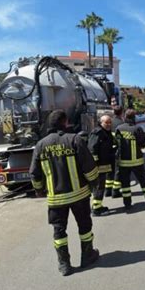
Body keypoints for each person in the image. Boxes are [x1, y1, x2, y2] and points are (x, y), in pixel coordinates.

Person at [29, 110, 100, 276]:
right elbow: (89, 167)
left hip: (56, 199)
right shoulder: (74, 140)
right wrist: (94, 184)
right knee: (84, 226)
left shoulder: (41, 145)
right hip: (79, 195)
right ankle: (87, 255)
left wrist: (39, 190)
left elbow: (34, 173)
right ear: (65, 122)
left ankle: (64, 264)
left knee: (59, 231)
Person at [115, 109, 145, 210]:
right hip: (136, 161)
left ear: (125, 117)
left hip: (123, 162)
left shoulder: (119, 128)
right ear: (134, 118)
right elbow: (143, 145)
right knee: (144, 181)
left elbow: (116, 143)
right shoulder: (137, 129)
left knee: (125, 184)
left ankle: (127, 204)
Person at [87, 115, 115, 216]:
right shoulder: (97, 133)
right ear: (101, 122)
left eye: (110, 122)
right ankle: (96, 209)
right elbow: (92, 149)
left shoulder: (106, 133)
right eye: (106, 123)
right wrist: (95, 164)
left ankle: (97, 206)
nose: (108, 124)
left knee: (101, 186)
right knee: (99, 187)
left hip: (104, 164)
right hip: (98, 166)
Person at [105, 105, 124, 198]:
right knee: (118, 171)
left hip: (108, 150)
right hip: (117, 150)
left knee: (109, 171)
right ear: (121, 112)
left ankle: (108, 190)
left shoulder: (110, 122)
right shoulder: (121, 123)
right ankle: (115, 191)